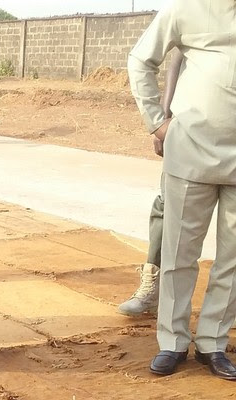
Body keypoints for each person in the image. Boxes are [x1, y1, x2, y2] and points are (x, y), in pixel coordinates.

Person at [129, 1, 236, 380]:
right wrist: (156, 122)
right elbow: (141, 60)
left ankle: (213, 343)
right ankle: (172, 341)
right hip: (191, 149)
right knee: (178, 253)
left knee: (233, 259)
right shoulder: (186, 8)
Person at [119, 49, 183, 317]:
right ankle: (153, 286)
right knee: (168, 203)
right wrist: (162, 120)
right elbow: (177, 59)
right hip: (193, 127)